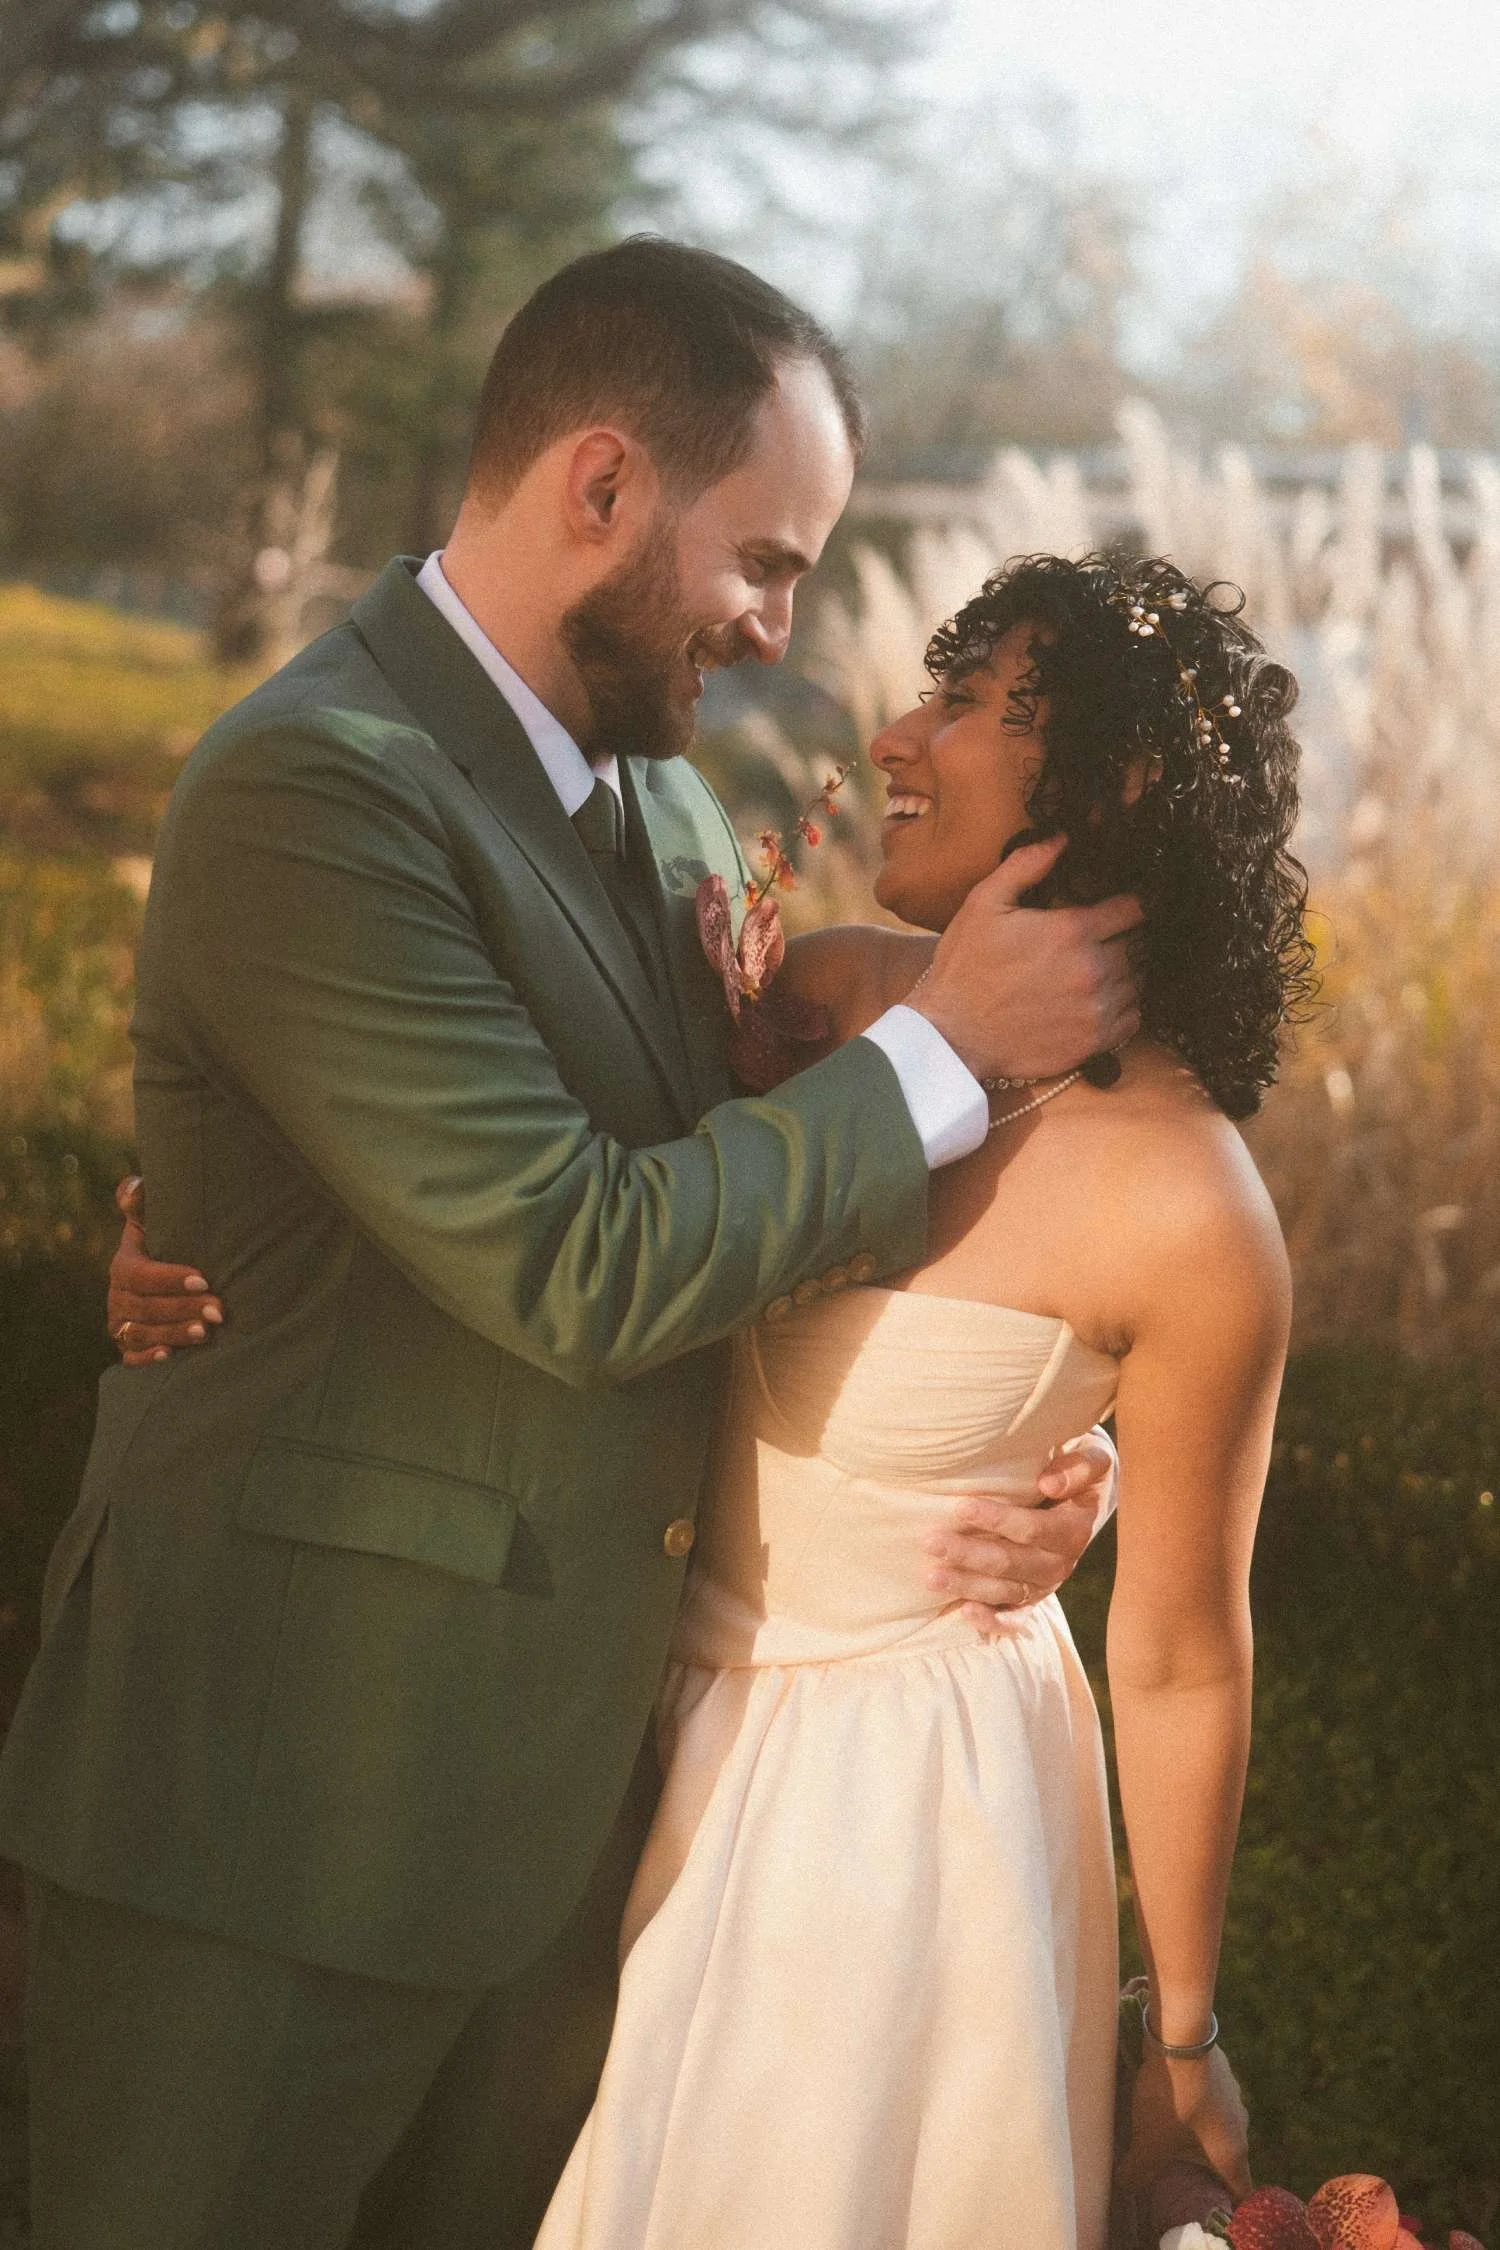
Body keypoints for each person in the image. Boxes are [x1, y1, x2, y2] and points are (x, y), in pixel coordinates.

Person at [0, 241, 1133, 2250]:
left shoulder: (671, 819)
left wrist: (1051, 1442)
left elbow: (760, 1220)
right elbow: (579, 1257)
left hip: (571, 1829)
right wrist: (955, 1043)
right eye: (767, 563)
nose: (781, 633)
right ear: (600, 485)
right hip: (273, 1820)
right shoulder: (313, 789)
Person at [522, 553, 1310, 2250]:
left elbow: (1181, 1654)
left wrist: (1181, 2039)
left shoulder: (1193, 1212)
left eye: (961, 704)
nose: (893, 731)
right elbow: (556, 1224)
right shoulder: (825, 1005)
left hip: (890, 1842)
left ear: (1110, 787)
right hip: (622, 1741)